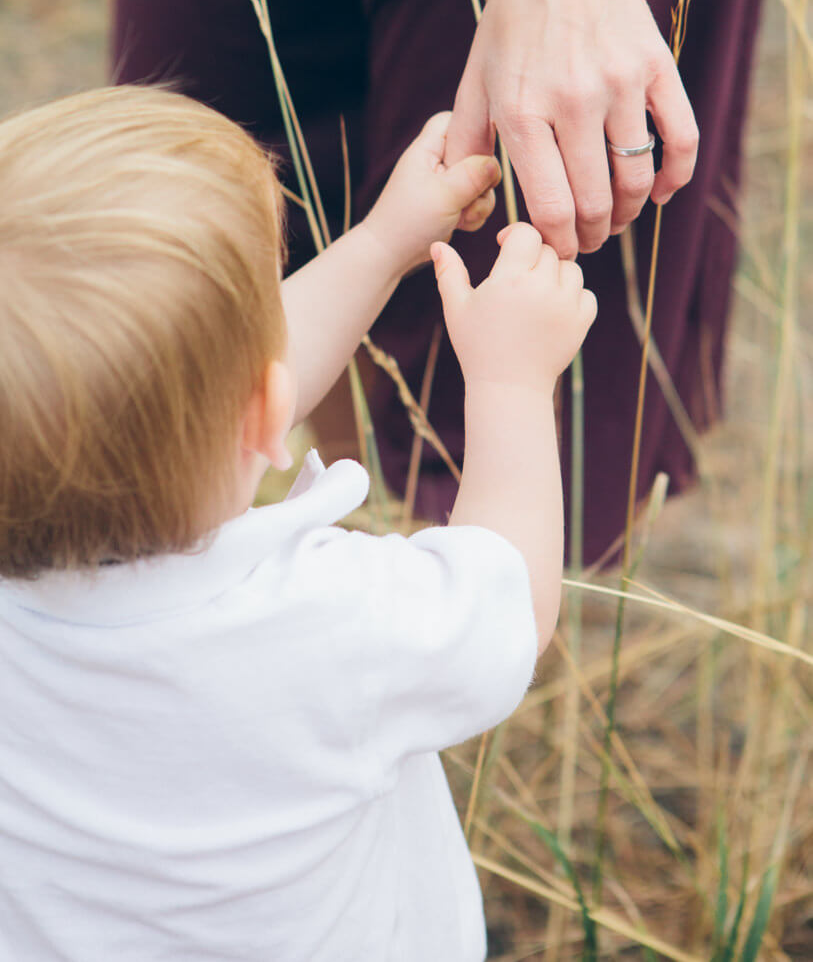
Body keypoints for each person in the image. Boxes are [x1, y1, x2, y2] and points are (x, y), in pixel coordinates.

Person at [114, 0, 786, 562]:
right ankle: (370, 580)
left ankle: (381, 580)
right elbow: (496, 606)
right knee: (204, 274)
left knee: (480, 404)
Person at [0, 85, 595, 960]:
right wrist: (509, 382)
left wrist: (382, 243)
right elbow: (508, 606)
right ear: (269, 409)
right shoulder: (322, 623)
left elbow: (231, 391)